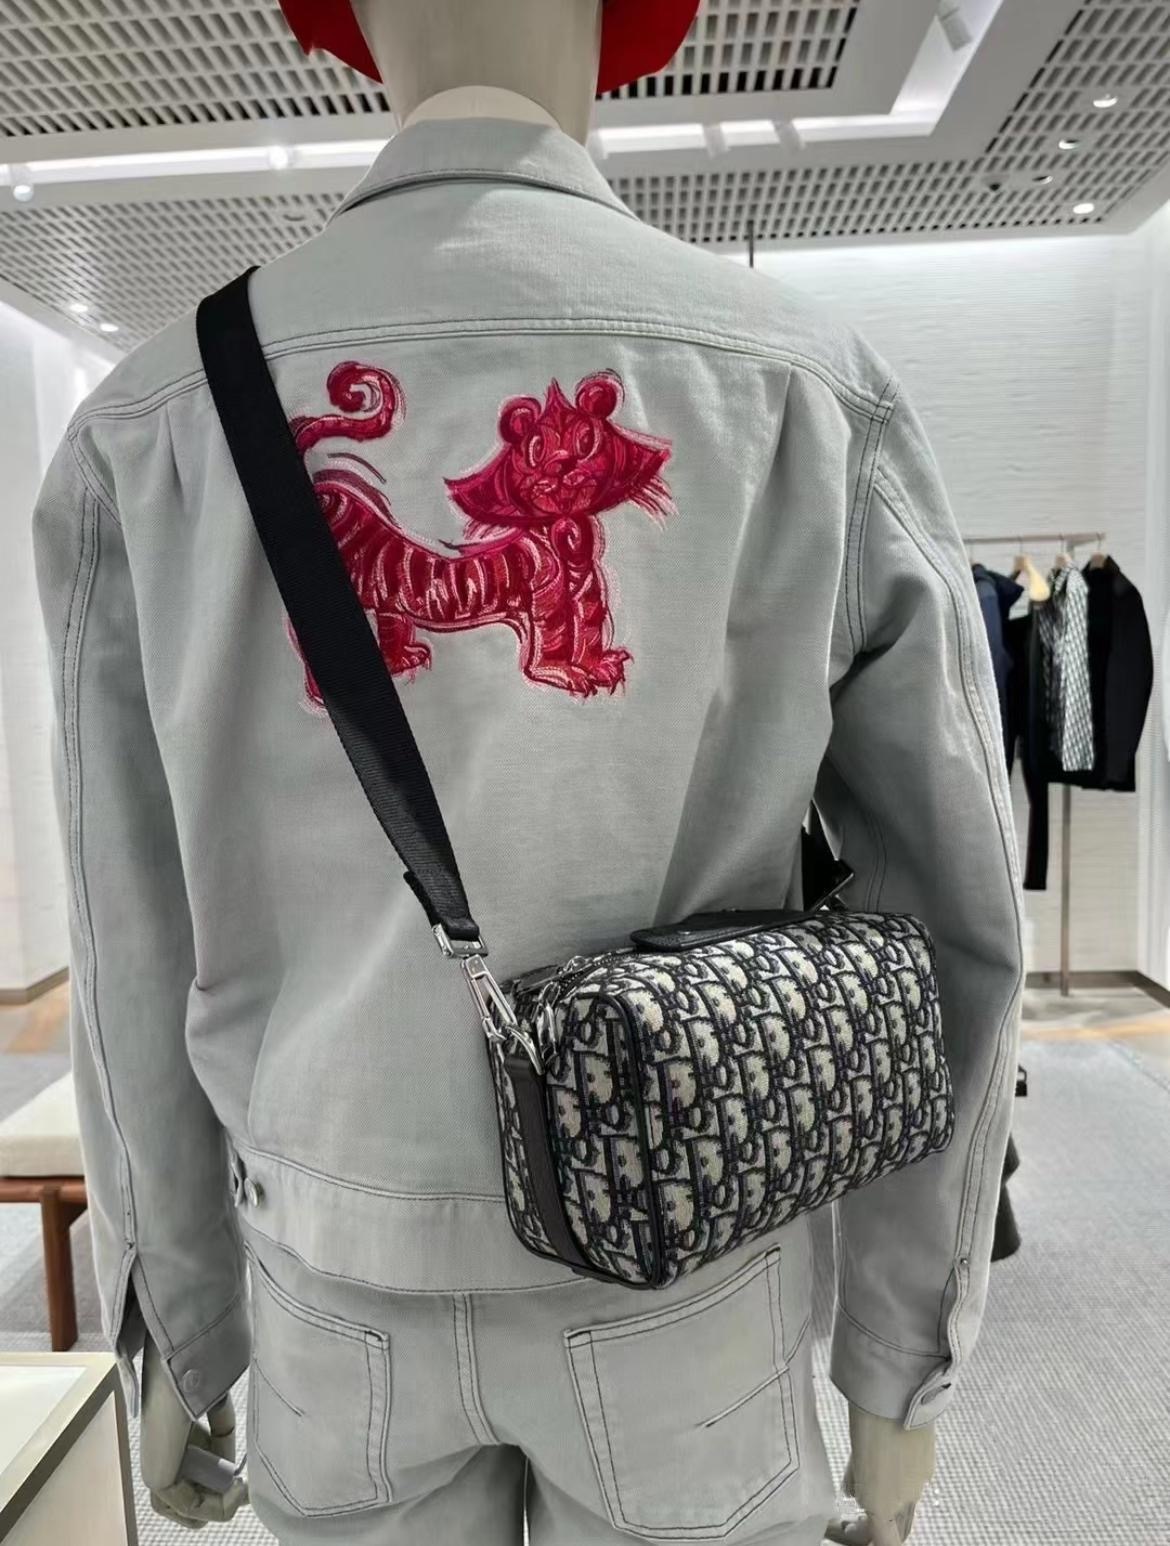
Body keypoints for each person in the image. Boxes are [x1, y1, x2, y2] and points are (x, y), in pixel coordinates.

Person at [31, 2, 1024, 1543]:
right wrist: (900, 1354)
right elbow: (947, 914)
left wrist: (184, 1309)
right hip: (692, 1255)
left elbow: (128, 930)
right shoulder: (799, 386)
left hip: (331, 1278)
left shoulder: (150, 422)